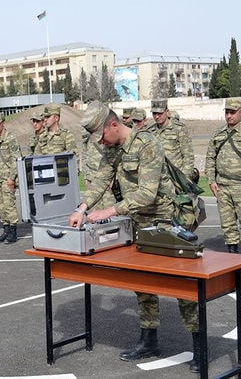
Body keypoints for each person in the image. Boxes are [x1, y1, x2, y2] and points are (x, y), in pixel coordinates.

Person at [68, 110, 201, 373]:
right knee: (142, 284)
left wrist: (109, 211)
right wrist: (81, 208)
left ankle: (200, 346)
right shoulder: (112, 147)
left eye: (101, 135)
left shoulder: (148, 144)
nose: (99, 142)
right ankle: (149, 341)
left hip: (165, 221)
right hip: (136, 222)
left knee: (182, 286)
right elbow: (101, 180)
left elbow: (147, 194)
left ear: (114, 125)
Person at [205, 98, 241, 265]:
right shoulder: (218, 134)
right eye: (226, 112)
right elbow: (210, 158)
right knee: (227, 223)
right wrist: (211, 181)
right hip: (222, 186)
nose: (229, 116)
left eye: (232, 112)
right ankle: (232, 253)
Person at [0, 114, 22, 243]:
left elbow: (16, 159)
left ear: (4, 123)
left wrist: (12, 178)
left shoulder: (11, 139)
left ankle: (13, 231)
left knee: (9, 206)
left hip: (7, 178)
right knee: (0, 207)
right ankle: (6, 229)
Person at [80, 101, 115, 209]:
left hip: (107, 175)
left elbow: (115, 156)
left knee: (110, 211)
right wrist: (86, 175)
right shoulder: (87, 132)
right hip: (93, 174)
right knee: (96, 213)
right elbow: (84, 151)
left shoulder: (111, 133)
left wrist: (113, 176)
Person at [148, 99, 194, 176]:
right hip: (157, 177)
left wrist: (185, 177)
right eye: (154, 113)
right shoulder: (150, 131)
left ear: (167, 112)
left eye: (160, 113)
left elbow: (188, 155)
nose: (156, 116)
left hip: (175, 177)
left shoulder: (179, 129)